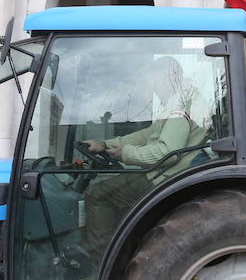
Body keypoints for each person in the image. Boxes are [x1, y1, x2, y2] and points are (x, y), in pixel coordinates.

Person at [80, 55, 208, 253]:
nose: (153, 88)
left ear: (167, 76)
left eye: (153, 80)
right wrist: (105, 144)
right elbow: (148, 134)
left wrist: (126, 154)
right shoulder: (180, 99)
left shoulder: (179, 107)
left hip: (163, 178)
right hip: (164, 173)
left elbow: (168, 152)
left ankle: (101, 260)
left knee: (97, 194)